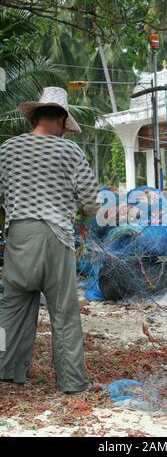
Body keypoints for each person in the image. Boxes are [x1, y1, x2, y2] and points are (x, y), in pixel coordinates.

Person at [0, 87, 99, 394]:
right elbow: (92, 203)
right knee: (64, 314)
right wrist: (78, 210)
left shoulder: (7, 150)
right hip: (56, 239)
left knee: (9, 311)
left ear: (37, 116)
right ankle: (71, 382)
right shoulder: (69, 152)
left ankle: (4, 368)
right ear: (59, 119)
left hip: (19, 238)